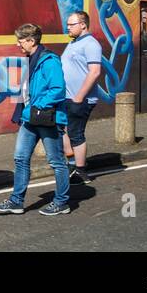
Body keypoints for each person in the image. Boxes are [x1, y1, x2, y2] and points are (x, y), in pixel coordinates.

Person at [0, 23, 71, 216]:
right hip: (30, 118)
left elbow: (58, 90)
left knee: (56, 162)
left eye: (20, 40)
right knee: (20, 158)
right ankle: (16, 202)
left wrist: (38, 106)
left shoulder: (49, 61)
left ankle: (61, 202)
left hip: (47, 118)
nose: (18, 44)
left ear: (31, 40)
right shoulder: (31, 59)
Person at [60, 11, 103, 184]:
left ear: (83, 25)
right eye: (68, 24)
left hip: (80, 98)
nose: (68, 27)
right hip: (66, 97)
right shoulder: (73, 43)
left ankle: (81, 170)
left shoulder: (91, 44)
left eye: (71, 24)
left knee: (76, 133)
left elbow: (94, 72)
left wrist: (79, 97)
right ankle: (71, 163)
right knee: (62, 129)